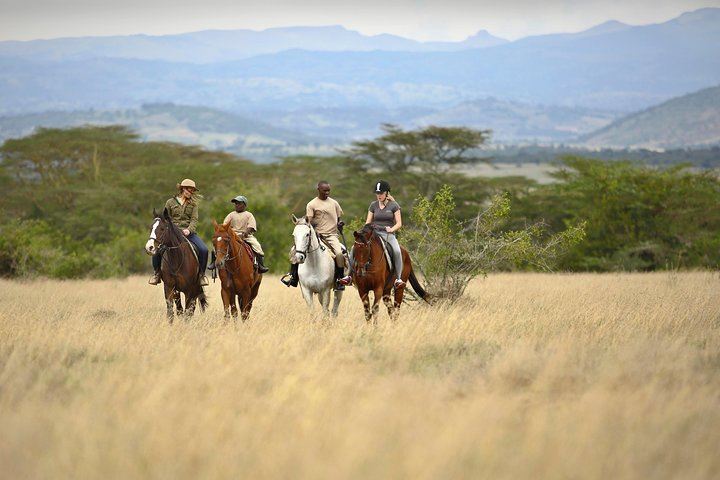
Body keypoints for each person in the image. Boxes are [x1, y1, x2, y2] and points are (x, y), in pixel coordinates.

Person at [281, 180, 348, 289]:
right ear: (318, 190)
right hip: (317, 235)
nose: (327, 193)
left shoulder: (334, 203)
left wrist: (339, 224)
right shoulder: (312, 204)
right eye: (324, 190)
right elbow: (309, 222)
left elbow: (338, 218)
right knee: (295, 250)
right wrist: (315, 232)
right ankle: (293, 277)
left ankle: (339, 279)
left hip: (331, 235)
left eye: (328, 191)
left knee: (339, 253)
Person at [339, 180, 405, 288]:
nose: (379, 195)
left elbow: (399, 223)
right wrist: (364, 232)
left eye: (381, 193)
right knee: (354, 247)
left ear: (386, 193)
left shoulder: (394, 205)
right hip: (373, 233)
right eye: (377, 193)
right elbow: (368, 222)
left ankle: (398, 279)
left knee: (397, 251)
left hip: (388, 234)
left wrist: (391, 229)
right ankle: (349, 276)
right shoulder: (373, 205)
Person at [149, 178, 210, 286]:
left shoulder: (194, 204)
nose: (190, 192)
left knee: (204, 250)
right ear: (182, 189)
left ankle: (201, 275)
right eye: (189, 190)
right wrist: (171, 230)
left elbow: (194, 220)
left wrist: (189, 230)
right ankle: (157, 273)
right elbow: (165, 219)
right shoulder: (170, 202)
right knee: (157, 250)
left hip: (188, 233)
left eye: (192, 191)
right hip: (173, 233)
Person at [210, 195, 269, 273]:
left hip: (246, 236)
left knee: (257, 246)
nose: (236, 205)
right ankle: (214, 263)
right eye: (236, 203)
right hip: (232, 236)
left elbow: (251, 226)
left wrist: (245, 233)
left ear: (244, 205)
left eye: (239, 203)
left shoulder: (249, 215)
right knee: (218, 245)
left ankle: (261, 266)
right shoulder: (231, 215)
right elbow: (225, 226)